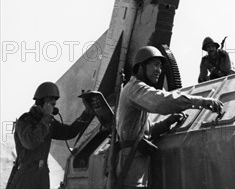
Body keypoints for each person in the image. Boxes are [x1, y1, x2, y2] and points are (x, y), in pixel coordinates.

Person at [115, 46, 223, 188]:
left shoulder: (134, 91)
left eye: (160, 66)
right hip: (130, 168)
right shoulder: (134, 88)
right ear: (141, 67)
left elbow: (144, 131)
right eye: (155, 65)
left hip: (135, 165)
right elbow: (163, 101)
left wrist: (167, 123)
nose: (159, 70)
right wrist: (201, 101)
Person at [9, 81, 95, 189]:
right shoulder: (25, 121)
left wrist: (87, 112)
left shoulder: (48, 122)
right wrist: (46, 117)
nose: (53, 107)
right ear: (41, 103)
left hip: (42, 175)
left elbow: (70, 132)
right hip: (26, 177)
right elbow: (31, 142)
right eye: (51, 103)